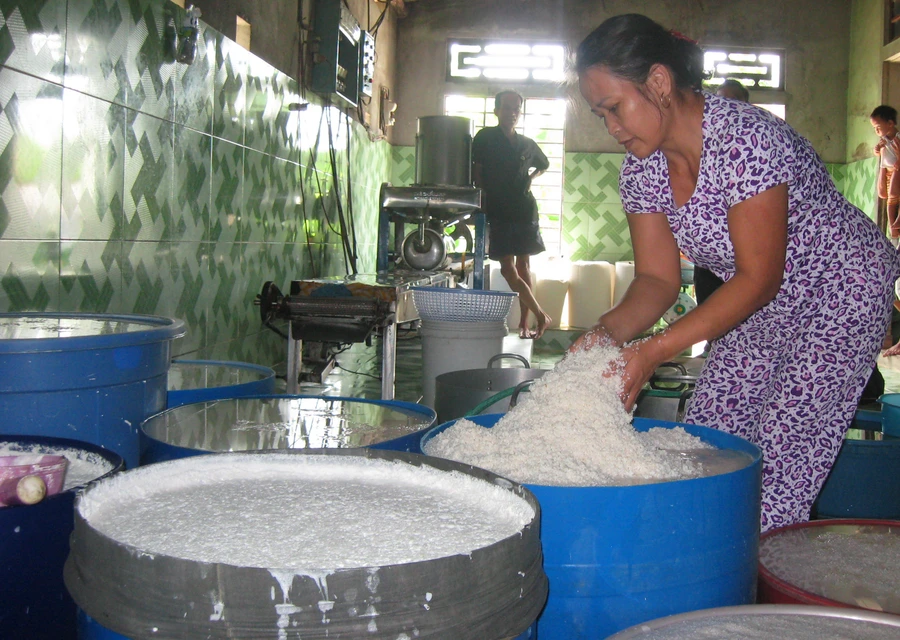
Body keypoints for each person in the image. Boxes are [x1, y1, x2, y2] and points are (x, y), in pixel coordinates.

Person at [571, 14, 900, 533]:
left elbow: (758, 277)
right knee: (707, 442)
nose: (612, 128)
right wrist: (603, 335)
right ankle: (707, 560)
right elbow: (656, 281)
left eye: (615, 108)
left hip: (841, 288)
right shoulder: (642, 169)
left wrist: (652, 351)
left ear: (658, 82)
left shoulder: (746, 142)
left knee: (782, 451)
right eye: (600, 115)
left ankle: (753, 594)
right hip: (760, 299)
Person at [473, 90, 552, 339]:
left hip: (524, 210)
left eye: (516, 108)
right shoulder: (484, 138)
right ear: (497, 110)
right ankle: (542, 315)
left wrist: (530, 177)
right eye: (507, 108)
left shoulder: (526, 144)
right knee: (508, 269)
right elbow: (477, 171)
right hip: (498, 210)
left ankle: (525, 323)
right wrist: (481, 201)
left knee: (524, 266)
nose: (512, 113)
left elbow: (544, 164)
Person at [693, 78, 752, 350]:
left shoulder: (755, 145)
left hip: (744, 249)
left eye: (733, 101)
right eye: (720, 100)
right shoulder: (702, 142)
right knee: (709, 293)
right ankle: (714, 344)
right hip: (710, 253)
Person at [871, 105, 900, 244]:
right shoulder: (883, 141)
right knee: (889, 199)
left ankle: (895, 228)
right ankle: (892, 231)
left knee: (894, 199)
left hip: (897, 172)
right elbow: (879, 154)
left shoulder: (898, 139)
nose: (876, 131)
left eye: (878, 127)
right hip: (888, 173)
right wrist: (877, 150)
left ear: (890, 123)